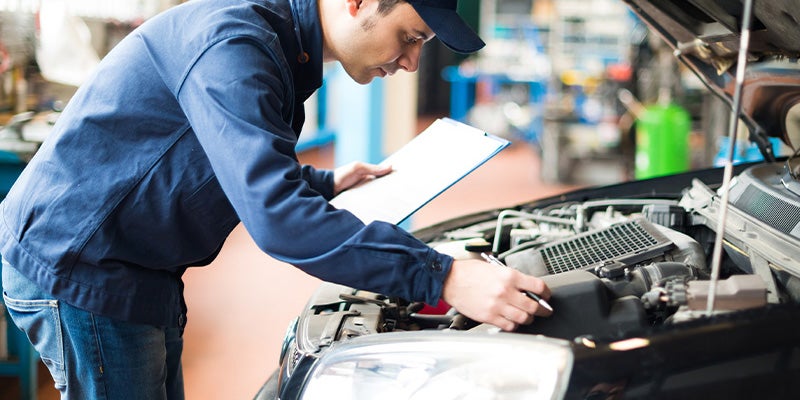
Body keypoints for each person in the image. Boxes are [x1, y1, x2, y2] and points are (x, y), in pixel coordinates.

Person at [0, 0, 552, 398]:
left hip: (137, 264)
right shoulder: (235, 43)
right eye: (410, 37)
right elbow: (279, 221)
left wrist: (324, 183)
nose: (410, 62)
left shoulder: (282, 48)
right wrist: (445, 277)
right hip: (82, 263)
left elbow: (220, 156)